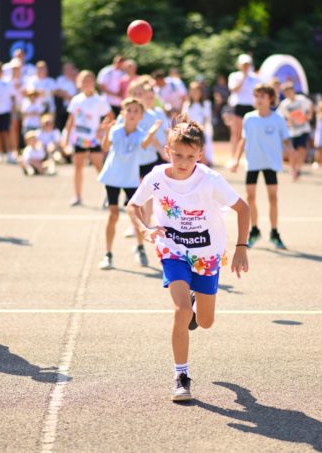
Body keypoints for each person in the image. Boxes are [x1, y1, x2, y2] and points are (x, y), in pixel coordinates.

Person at [127, 119, 250, 401]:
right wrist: (146, 227)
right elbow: (133, 205)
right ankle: (181, 375)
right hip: (173, 249)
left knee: (205, 322)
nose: (183, 161)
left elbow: (243, 208)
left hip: (207, 254)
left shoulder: (210, 180)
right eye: (178, 154)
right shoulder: (156, 177)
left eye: (190, 156)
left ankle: (196, 303)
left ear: (200, 155)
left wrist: (241, 246)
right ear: (168, 150)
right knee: (181, 311)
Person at [97, 98, 162, 270]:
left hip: (130, 179)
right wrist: (105, 133)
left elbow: (145, 144)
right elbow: (105, 147)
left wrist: (152, 132)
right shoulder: (116, 130)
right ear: (123, 113)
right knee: (113, 215)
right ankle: (108, 254)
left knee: (135, 216)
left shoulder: (141, 133)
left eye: (136, 111)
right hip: (112, 178)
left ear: (141, 116)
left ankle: (140, 248)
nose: (132, 114)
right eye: (129, 110)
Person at [231, 83, 292, 249]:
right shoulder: (249, 118)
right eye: (256, 96)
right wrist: (236, 159)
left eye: (262, 96)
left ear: (270, 98)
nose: (259, 99)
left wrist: (293, 161)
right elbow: (243, 140)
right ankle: (255, 230)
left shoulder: (278, 118)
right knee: (250, 197)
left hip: (271, 164)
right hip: (253, 163)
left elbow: (286, 140)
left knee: (273, 197)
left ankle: (274, 232)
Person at [63, 70, 114, 206]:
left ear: (93, 83)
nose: (86, 83)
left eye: (89, 80)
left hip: (93, 139)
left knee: (99, 166)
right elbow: (70, 121)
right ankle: (78, 196)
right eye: (83, 80)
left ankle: (109, 195)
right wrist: (66, 140)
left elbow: (110, 116)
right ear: (79, 83)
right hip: (79, 138)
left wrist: (101, 129)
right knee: (78, 167)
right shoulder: (76, 100)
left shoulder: (99, 100)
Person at [227, 54, 262, 167]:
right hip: (238, 106)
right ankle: (233, 157)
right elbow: (234, 89)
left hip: (251, 107)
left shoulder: (255, 78)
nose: (246, 66)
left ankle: (247, 157)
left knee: (249, 134)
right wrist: (243, 77)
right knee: (236, 133)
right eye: (244, 64)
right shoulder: (234, 76)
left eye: (247, 64)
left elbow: (258, 94)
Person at [277, 81, 314, 180]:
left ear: (293, 91)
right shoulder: (284, 104)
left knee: (301, 148)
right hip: (292, 131)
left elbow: (310, 105)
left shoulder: (301, 100)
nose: (288, 93)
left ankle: (298, 168)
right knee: (292, 150)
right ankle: (292, 168)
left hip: (303, 128)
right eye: (286, 92)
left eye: (290, 91)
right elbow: (279, 116)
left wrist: (309, 115)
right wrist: (286, 121)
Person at [182, 81, 213, 165]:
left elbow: (206, 119)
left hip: (203, 131)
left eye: (197, 91)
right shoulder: (187, 104)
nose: (195, 93)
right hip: (190, 131)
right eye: (193, 91)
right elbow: (185, 118)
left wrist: (201, 129)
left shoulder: (206, 104)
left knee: (203, 151)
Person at [55, 62, 78, 131]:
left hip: (76, 109)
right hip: (63, 108)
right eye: (66, 69)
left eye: (69, 69)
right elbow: (57, 91)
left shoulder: (77, 79)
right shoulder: (60, 79)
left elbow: (80, 90)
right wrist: (69, 96)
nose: (67, 71)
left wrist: (74, 80)